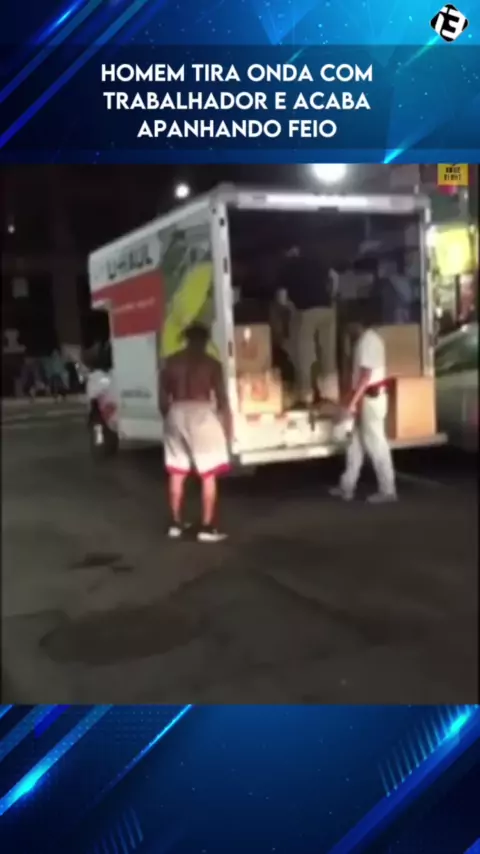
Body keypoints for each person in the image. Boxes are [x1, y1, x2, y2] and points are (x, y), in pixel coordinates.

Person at [160, 323, 232, 542]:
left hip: (176, 411)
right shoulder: (212, 364)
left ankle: (175, 524)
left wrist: (170, 418)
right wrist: (227, 428)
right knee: (208, 474)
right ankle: (207, 528)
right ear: (206, 340)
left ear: (186, 339)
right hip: (201, 414)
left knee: (177, 472)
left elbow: (162, 399)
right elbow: (222, 399)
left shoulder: (171, 362)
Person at [329, 315, 397, 504]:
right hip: (366, 398)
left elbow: (365, 378)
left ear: (356, 323)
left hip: (371, 399)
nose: (347, 331)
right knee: (355, 445)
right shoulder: (363, 341)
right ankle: (347, 485)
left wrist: (351, 404)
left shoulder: (369, 342)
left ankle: (388, 490)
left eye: (348, 326)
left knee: (376, 443)